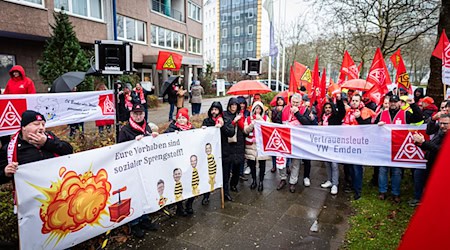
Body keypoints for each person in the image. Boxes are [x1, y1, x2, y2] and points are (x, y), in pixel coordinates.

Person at [118, 103, 159, 237]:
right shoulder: (125, 130)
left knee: (145, 191)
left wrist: (153, 138)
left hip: (145, 167)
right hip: (132, 169)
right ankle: (134, 223)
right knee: (135, 194)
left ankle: (145, 218)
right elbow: (120, 150)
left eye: (140, 113)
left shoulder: (146, 126)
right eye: (135, 114)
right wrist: (133, 143)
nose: (138, 116)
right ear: (131, 115)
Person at [0, 110, 73, 184]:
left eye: (43, 125)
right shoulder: (10, 149)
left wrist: (47, 143)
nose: (41, 128)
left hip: (57, 186)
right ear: (24, 127)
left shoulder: (50, 137)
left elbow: (68, 150)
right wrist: (5, 173)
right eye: (36, 124)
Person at [375, 95, 423, 203]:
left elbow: (419, 118)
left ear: (400, 103)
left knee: (397, 172)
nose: (393, 104)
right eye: (391, 101)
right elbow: (372, 128)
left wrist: (413, 105)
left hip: (399, 148)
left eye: (395, 102)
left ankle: (395, 193)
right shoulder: (382, 114)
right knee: (383, 170)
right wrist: (377, 125)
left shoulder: (405, 114)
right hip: (384, 147)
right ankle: (382, 191)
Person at [278, 93, 315, 193]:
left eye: (297, 103)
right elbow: (277, 121)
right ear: (290, 101)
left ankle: (292, 182)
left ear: (301, 102)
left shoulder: (304, 110)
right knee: (281, 160)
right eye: (293, 102)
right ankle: (282, 178)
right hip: (285, 139)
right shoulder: (285, 109)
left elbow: (307, 123)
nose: (295, 104)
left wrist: (297, 113)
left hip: (298, 140)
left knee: (296, 162)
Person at [412, 114, 449, 206]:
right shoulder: (440, 132)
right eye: (440, 123)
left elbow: (441, 150)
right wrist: (420, 144)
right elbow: (432, 146)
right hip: (432, 163)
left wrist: (424, 142)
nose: (442, 126)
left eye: (445, 124)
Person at [343, 94, 375, 200]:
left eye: (356, 100)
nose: (354, 102)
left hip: (359, 143)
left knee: (357, 168)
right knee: (350, 167)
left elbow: (367, 127)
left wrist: (359, 118)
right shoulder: (348, 111)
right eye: (353, 100)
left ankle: (358, 191)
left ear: (360, 101)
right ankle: (352, 185)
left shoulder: (365, 111)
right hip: (348, 142)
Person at [201, 101, 235, 204]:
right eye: (212, 109)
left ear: (220, 111)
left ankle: (226, 192)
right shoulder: (207, 121)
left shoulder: (225, 120)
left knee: (225, 174)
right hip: (211, 153)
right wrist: (203, 130)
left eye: (216, 110)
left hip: (224, 152)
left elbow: (231, 133)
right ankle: (206, 196)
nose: (214, 112)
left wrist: (223, 126)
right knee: (209, 174)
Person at [164, 108, 196, 216]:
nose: (181, 120)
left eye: (184, 118)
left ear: (187, 119)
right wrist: (172, 135)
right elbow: (163, 138)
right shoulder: (172, 128)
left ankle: (190, 204)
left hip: (189, 162)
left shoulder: (192, 129)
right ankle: (180, 207)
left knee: (191, 183)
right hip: (177, 163)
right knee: (179, 185)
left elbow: (200, 138)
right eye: (179, 118)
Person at [319, 93, 345, 195]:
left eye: (330, 107)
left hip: (334, 144)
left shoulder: (335, 117)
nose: (328, 109)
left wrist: (339, 100)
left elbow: (342, 111)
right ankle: (329, 180)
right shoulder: (323, 118)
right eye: (326, 108)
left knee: (334, 164)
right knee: (327, 163)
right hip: (325, 144)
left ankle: (335, 184)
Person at [243, 101, 270, 191]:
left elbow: (269, 128)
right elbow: (245, 131)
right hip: (251, 144)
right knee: (252, 164)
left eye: (259, 109)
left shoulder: (266, 118)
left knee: (262, 164)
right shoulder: (248, 119)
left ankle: (261, 181)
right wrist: (253, 124)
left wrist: (261, 120)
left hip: (261, 144)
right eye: (256, 109)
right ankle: (254, 180)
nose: (257, 110)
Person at [223, 98, 246, 194]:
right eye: (232, 105)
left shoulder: (240, 115)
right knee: (227, 168)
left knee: (237, 166)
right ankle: (226, 187)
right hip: (229, 144)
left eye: (235, 105)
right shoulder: (225, 115)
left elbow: (244, 129)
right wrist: (234, 121)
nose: (233, 107)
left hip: (239, 143)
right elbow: (226, 129)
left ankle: (234, 184)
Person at [270, 96, 286, 172]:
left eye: (281, 100)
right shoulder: (274, 109)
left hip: (284, 131)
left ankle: (287, 166)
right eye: (278, 100)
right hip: (275, 130)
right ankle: (274, 165)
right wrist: (278, 112)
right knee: (274, 149)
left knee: (285, 148)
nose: (280, 101)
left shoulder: (286, 109)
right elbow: (273, 119)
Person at [237, 96, 250, 180]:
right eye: (240, 103)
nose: (242, 105)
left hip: (245, 135)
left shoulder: (247, 112)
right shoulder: (236, 112)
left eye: (243, 103)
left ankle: (241, 172)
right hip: (237, 136)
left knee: (244, 155)